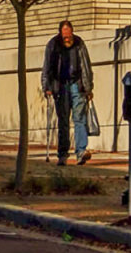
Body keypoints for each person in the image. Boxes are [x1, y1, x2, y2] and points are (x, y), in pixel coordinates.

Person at [41, 20, 94, 166]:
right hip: (60, 86)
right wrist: (47, 86)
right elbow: (46, 67)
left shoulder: (79, 43)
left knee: (79, 118)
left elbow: (85, 65)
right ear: (60, 34)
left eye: (69, 35)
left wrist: (88, 87)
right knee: (63, 121)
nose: (67, 38)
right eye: (64, 35)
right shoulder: (53, 45)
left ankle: (81, 151)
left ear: (72, 32)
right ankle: (63, 154)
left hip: (77, 84)